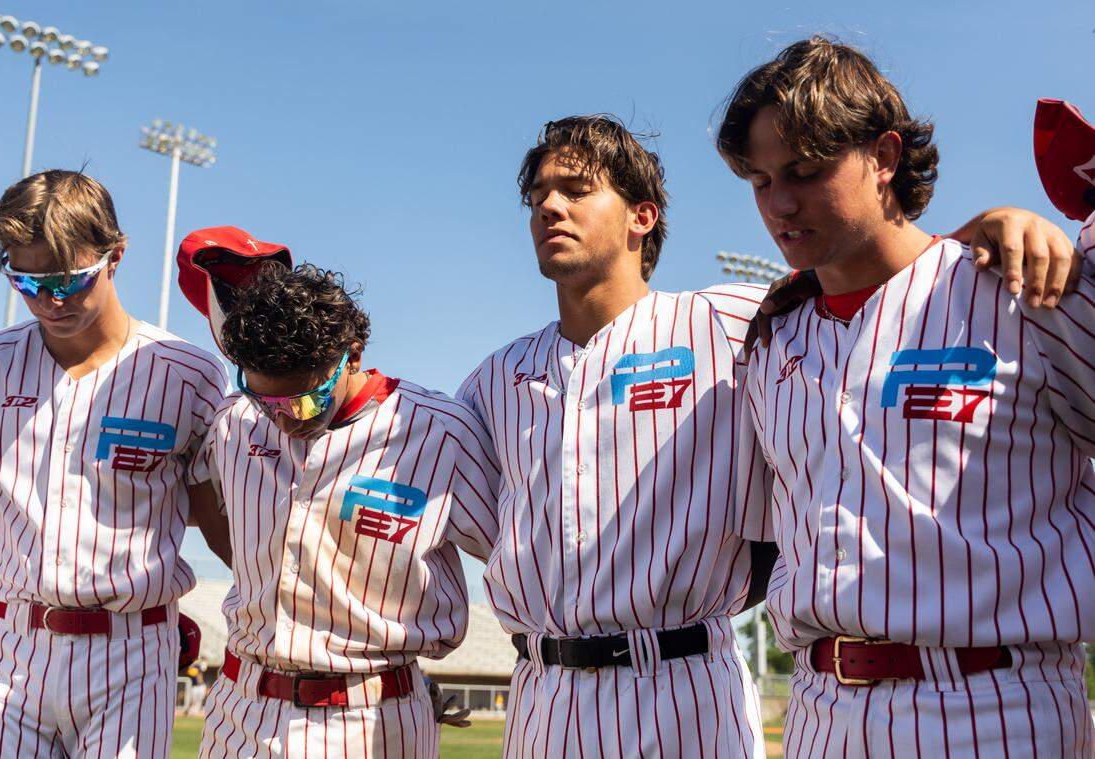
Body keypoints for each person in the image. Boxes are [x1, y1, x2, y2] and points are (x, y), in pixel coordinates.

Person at [457, 114, 1081, 758]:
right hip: (540, 695)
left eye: (576, 188)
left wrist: (987, 226)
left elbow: (879, 289)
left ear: (641, 216)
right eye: (537, 198)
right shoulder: (492, 380)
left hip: (683, 685)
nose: (550, 208)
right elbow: (476, 522)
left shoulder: (740, 321)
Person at [717, 37, 1095, 756]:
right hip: (820, 709)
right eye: (761, 181)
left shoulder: (1019, 288)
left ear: (885, 156)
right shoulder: (772, 342)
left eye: (804, 171)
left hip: (995, 704)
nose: (780, 203)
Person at [0, 170, 231, 758]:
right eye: (25, 280)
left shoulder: (188, 374)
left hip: (133, 651)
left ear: (116, 254)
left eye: (68, 279)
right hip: (11, 648)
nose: (48, 300)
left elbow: (226, 530)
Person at [187, 257, 499, 758]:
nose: (284, 421)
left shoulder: (438, 433)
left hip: (372, 717)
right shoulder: (235, 423)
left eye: (304, 403)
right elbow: (201, 501)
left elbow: (517, 559)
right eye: (267, 401)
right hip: (240, 708)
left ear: (352, 355)